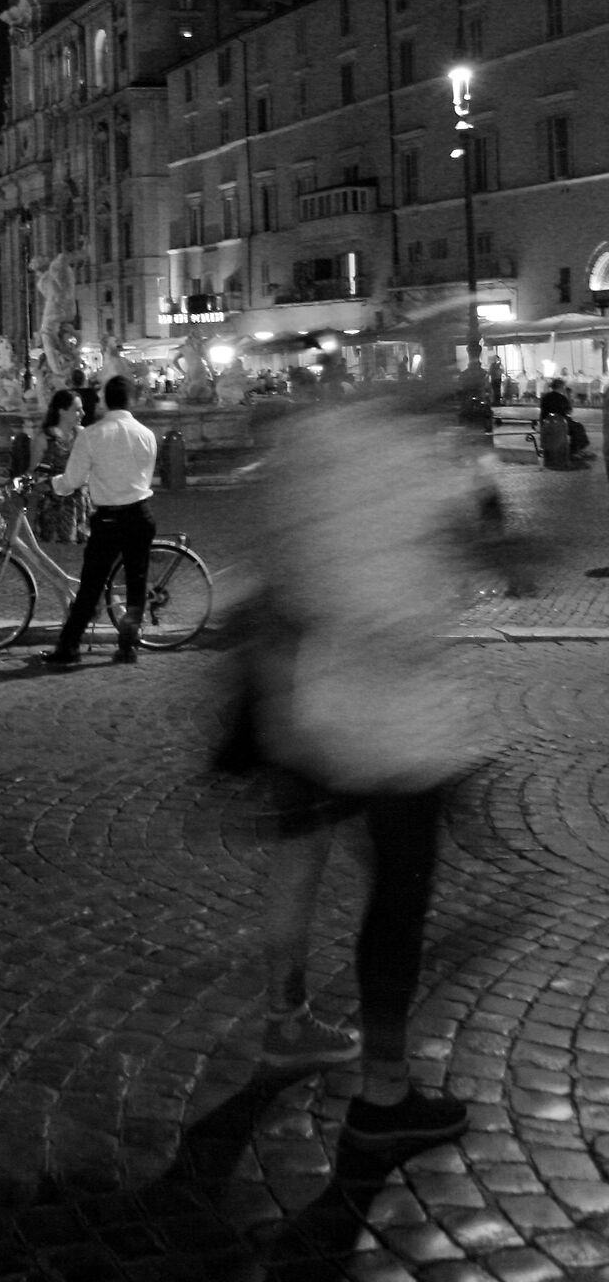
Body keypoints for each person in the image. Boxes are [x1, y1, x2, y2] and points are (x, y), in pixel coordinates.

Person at [226, 373, 505, 1152]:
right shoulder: (416, 457)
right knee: (397, 900)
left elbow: (279, 570)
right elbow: (430, 589)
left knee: (304, 861)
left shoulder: (312, 444)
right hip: (395, 725)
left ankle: (286, 1021)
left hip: (308, 704)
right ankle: (384, 1092)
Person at [40, 375, 155, 667]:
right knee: (136, 583)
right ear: (131, 400)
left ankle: (69, 647)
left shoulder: (91, 435)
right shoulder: (147, 434)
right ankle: (128, 646)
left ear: (104, 401)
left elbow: (72, 481)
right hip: (140, 514)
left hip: (109, 520)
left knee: (91, 586)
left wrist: (51, 484)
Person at [33, 389, 90, 543]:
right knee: (56, 554)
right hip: (54, 506)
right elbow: (35, 474)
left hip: (80, 504)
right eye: (77, 410)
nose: (83, 413)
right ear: (62, 411)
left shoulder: (82, 434)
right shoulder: (44, 438)